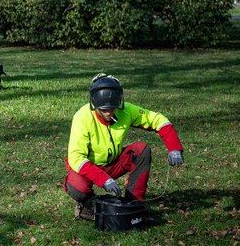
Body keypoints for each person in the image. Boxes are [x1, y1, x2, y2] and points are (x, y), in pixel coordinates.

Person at [65, 73, 185, 221]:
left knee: (142, 150)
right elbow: (76, 157)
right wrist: (104, 180)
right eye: (103, 109)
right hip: (89, 167)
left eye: (112, 108)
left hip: (113, 163)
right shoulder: (82, 117)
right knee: (76, 187)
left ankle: (134, 203)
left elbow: (157, 120)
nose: (109, 113)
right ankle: (88, 207)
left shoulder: (125, 111)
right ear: (94, 104)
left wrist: (174, 147)